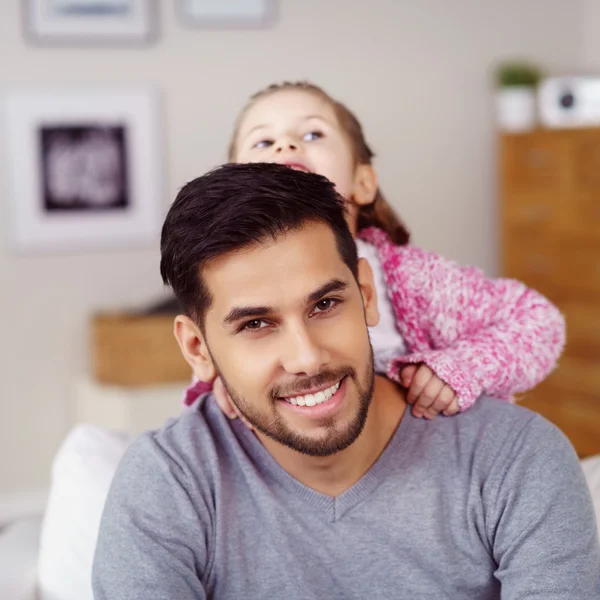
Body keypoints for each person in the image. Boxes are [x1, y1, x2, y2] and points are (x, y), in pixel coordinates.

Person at [92, 163, 600, 599]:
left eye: (325, 305)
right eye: (256, 325)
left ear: (366, 293)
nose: (307, 358)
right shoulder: (168, 483)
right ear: (198, 349)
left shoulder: (517, 458)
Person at [184, 81, 565, 422]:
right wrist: (225, 385)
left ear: (363, 182)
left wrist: (462, 366)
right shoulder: (224, 289)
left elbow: (539, 322)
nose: (286, 145)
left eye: (314, 134)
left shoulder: (415, 280)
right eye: (263, 142)